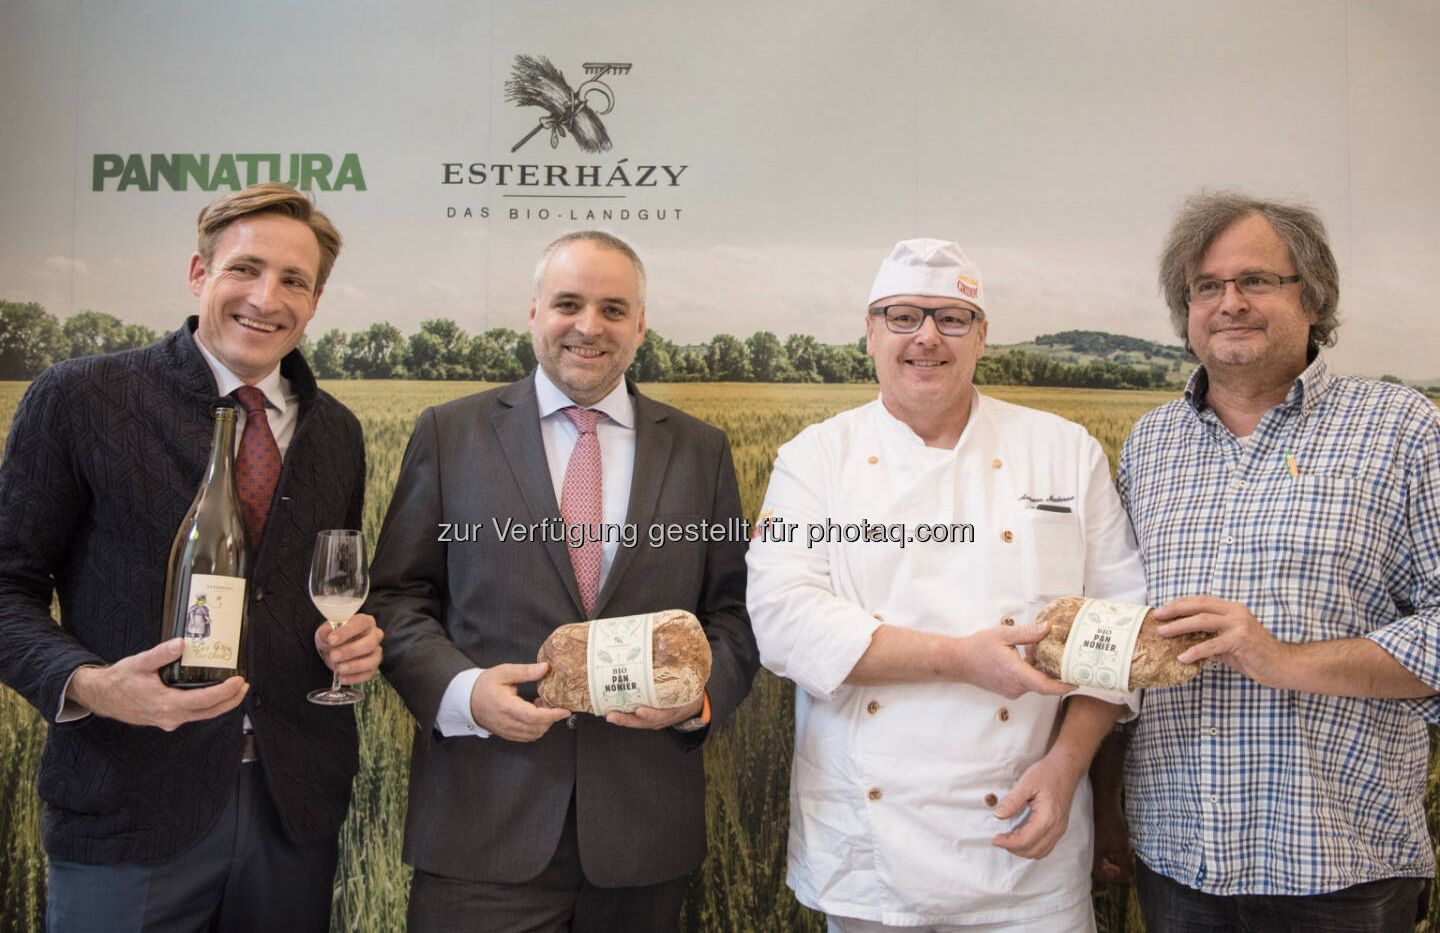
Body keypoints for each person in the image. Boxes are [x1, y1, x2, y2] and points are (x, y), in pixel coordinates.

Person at [0, 182, 383, 932]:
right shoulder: (80, 397)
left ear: (316, 299)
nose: (266, 297)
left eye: (294, 281)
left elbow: (314, 592)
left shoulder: (337, 431)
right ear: (198, 273)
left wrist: (354, 640)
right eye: (244, 268)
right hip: (129, 807)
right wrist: (92, 684)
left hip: (291, 811)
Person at [745, 238, 1146, 932]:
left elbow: (1119, 632)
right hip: (871, 861)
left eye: (952, 317)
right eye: (903, 316)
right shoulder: (814, 458)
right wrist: (958, 658)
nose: (926, 336)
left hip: (1028, 839)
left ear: (982, 335)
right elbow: (782, 617)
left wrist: (1065, 767)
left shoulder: (1064, 451)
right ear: (870, 334)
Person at [365, 230, 757, 933]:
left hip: (642, 840)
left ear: (640, 325)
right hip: (482, 832)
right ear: (534, 312)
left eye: (613, 309)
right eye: (568, 303)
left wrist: (698, 698)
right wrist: (465, 693)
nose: (588, 326)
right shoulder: (450, 434)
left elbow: (734, 613)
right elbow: (397, 598)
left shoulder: (702, 451)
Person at [1109, 191, 1440, 932]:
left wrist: (1282, 658)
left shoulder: (1403, 429)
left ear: (1312, 297)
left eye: (1256, 280)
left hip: (1342, 867)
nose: (1230, 302)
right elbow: (1126, 639)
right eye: (1206, 286)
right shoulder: (1149, 445)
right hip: (1177, 858)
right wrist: (1103, 802)